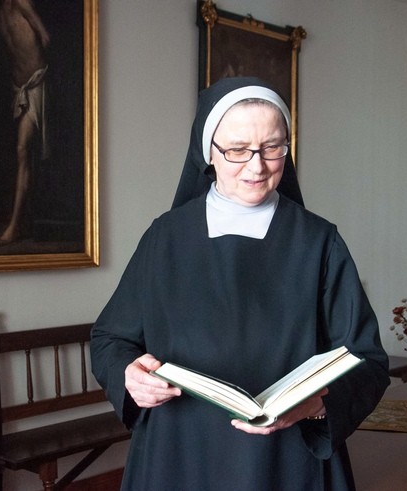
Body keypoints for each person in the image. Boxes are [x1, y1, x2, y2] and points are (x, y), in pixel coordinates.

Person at [90, 77, 389, 490]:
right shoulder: (166, 236)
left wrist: (317, 405)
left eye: (272, 147)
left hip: (287, 460)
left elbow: (368, 360)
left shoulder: (320, 242)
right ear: (207, 152)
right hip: (178, 452)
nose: (257, 165)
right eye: (236, 150)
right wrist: (128, 373)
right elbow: (110, 337)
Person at [0, 0, 51, 246]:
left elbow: (46, 38)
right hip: (19, 89)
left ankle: (15, 226)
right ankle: (23, 220)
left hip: (37, 85)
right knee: (21, 155)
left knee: (22, 150)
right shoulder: (0, 11)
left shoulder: (21, 2)